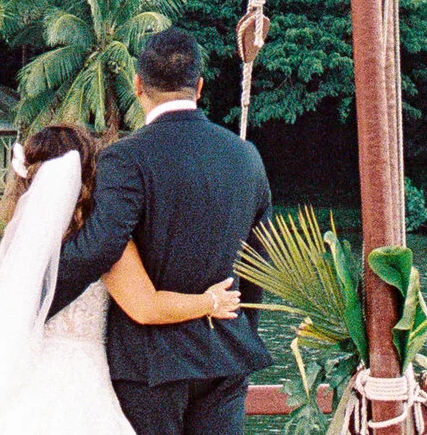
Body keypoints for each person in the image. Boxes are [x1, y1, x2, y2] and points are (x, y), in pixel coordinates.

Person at [0, 118, 243, 435]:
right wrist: (210, 301)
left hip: (22, 376)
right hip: (81, 379)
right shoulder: (101, 242)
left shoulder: (23, 243)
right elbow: (145, 307)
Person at [48, 28, 274, 435]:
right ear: (199, 86)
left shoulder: (125, 158)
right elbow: (259, 259)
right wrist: (240, 330)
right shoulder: (246, 156)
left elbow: (101, 246)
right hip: (226, 355)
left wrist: (38, 296)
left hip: (150, 364)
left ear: (138, 85)